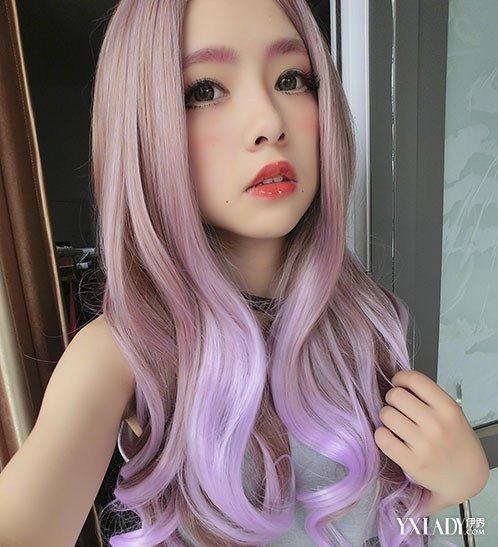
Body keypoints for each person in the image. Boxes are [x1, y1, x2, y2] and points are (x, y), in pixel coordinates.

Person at [0, 1, 489, 546]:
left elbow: (373, 521)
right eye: (205, 90)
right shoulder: (125, 352)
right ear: (144, 128)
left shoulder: (363, 322)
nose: (270, 123)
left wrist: (455, 484)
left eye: (291, 79)